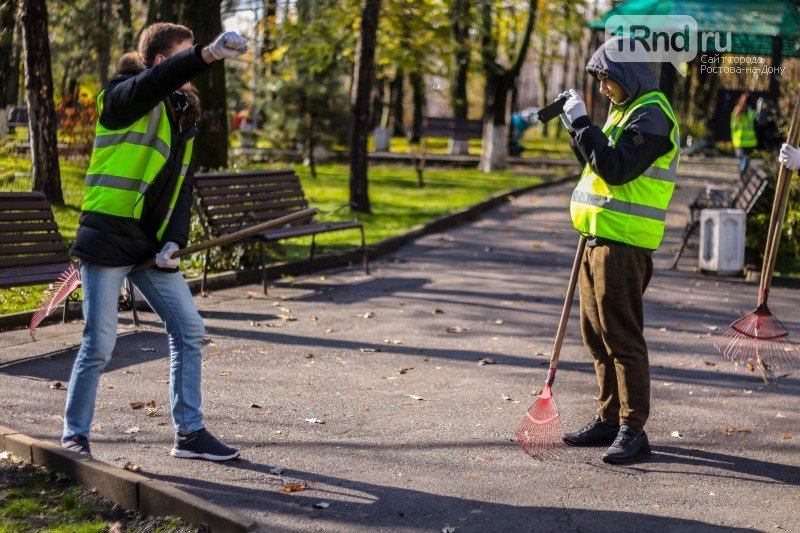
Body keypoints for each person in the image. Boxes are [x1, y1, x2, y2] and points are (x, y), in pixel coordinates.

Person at [62, 23, 249, 461]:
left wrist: (174, 240)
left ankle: (190, 435)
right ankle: (75, 435)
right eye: (184, 57)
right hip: (108, 237)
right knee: (100, 342)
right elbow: (152, 83)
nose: (194, 68)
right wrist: (206, 54)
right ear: (164, 62)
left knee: (189, 331)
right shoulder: (121, 98)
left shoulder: (182, 112)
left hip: (149, 248)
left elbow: (180, 185)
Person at [556, 37, 680, 464]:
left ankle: (633, 428)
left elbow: (616, 168)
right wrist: (578, 127)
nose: (604, 88)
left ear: (628, 74)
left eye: (607, 79)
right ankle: (609, 418)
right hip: (597, 239)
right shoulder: (625, 112)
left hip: (624, 244)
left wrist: (585, 125)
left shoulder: (652, 115)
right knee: (596, 335)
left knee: (622, 336)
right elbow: (595, 162)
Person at [730, 92, 757, 178]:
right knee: (745, 160)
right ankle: (743, 177)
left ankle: (742, 176)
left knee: (742, 160)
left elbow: (733, 126)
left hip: (738, 141)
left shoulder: (736, 111)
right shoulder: (751, 112)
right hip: (749, 142)